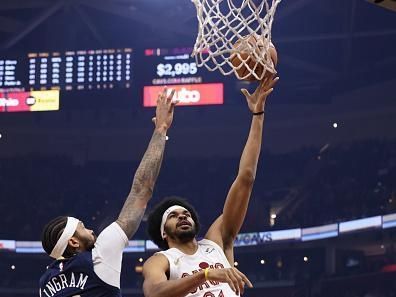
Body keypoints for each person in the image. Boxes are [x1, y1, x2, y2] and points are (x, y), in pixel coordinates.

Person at [143, 75, 279, 297]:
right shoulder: (160, 260)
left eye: (185, 213)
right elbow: (154, 293)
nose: (183, 216)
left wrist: (257, 115)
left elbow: (245, 177)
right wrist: (206, 275)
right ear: (163, 232)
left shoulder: (216, 242)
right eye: (174, 215)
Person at [39, 88, 178, 297]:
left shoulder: (45, 283)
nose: (91, 230)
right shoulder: (100, 255)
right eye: (83, 227)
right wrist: (161, 129)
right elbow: (141, 190)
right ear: (74, 242)